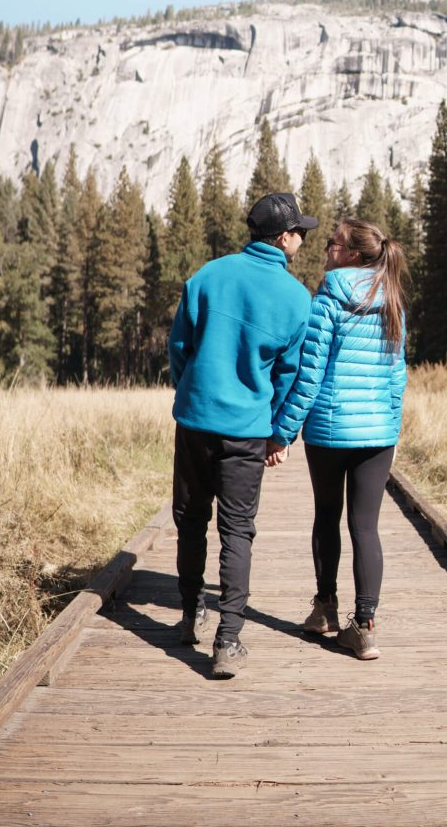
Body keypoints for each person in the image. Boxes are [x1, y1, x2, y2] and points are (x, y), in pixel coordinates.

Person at [168, 191, 317, 677]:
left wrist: (192, 390)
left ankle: (190, 614)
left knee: (191, 519)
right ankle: (227, 640)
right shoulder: (297, 298)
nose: (303, 240)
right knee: (237, 530)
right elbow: (288, 374)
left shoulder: (208, 276)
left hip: (194, 420)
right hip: (248, 431)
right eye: (301, 233)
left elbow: (179, 347)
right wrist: (277, 432)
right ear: (284, 238)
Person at [269, 217, 408, 660]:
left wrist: (282, 432)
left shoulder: (329, 296)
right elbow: (397, 376)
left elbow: (309, 376)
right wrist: (389, 423)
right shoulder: (393, 300)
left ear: (350, 254)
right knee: (365, 527)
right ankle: (365, 627)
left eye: (332, 243)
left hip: (330, 430)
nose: (326, 248)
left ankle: (325, 610)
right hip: (377, 435)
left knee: (327, 516)